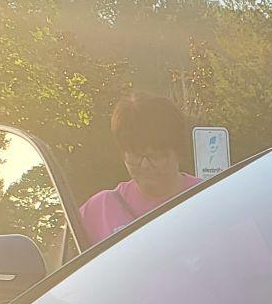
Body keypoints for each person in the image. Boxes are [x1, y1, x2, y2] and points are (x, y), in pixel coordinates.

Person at [79, 94, 200, 247]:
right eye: (136, 155)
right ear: (122, 153)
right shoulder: (97, 211)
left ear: (178, 151)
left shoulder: (210, 199)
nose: (145, 165)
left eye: (155, 156)